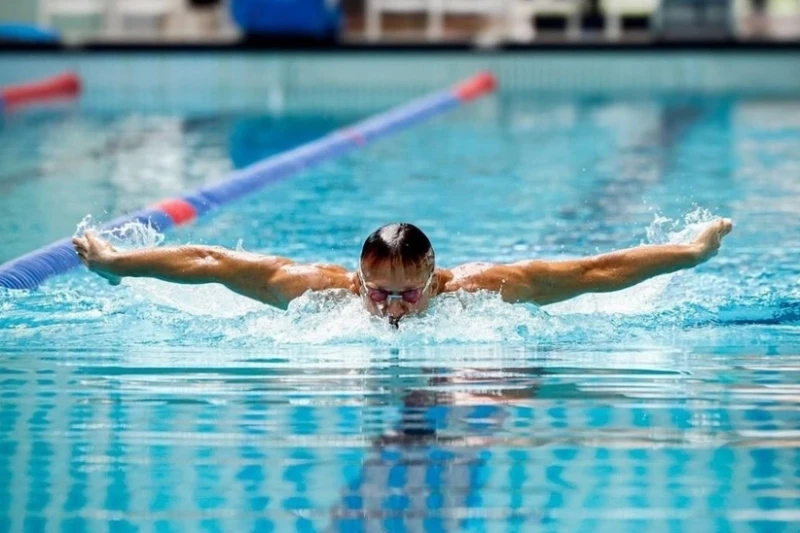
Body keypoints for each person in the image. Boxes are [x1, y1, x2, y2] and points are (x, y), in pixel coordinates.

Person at [73, 219, 733, 327]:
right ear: (357, 280)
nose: (392, 308)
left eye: (407, 292)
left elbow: (597, 269)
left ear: (435, 275)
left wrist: (691, 251)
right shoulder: (316, 291)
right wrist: (114, 263)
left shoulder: (483, 289)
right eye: (378, 293)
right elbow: (209, 262)